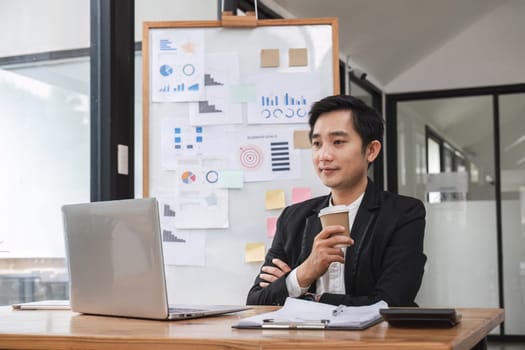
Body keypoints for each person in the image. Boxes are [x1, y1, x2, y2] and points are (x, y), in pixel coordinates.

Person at [246, 94, 426, 307]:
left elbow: (391, 302)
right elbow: (257, 301)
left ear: (371, 150)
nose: (324, 155)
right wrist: (306, 271)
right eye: (317, 143)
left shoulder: (403, 213)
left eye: (338, 142)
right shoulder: (293, 217)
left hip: (374, 340)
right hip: (304, 340)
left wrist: (304, 296)